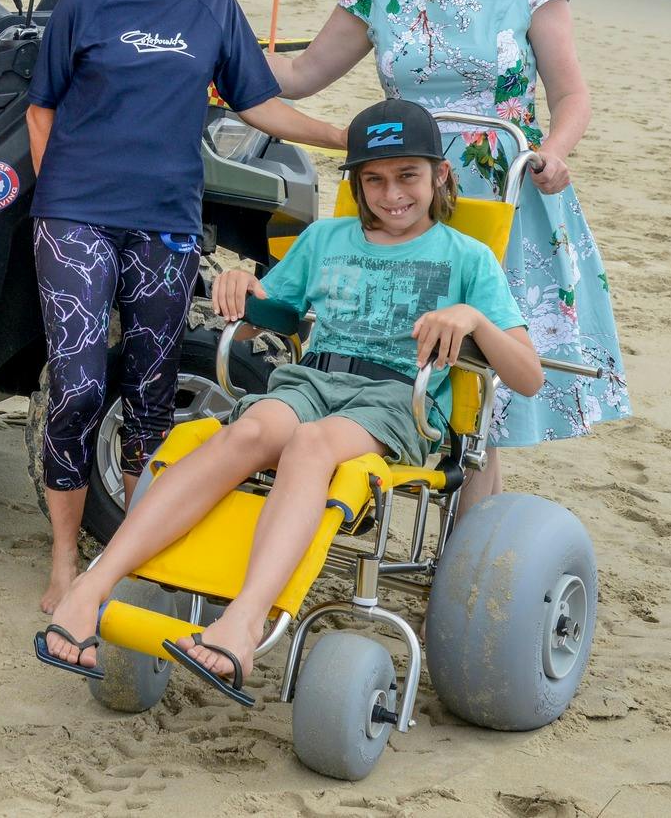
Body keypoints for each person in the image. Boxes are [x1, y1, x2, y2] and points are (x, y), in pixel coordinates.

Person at [37, 98, 543, 695]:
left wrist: (472, 320)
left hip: (391, 400)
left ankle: (246, 620)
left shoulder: (467, 258)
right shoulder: (325, 239)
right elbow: (259, 319)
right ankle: (93, 585)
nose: (391, 194)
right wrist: (241, 288)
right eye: (373, 180)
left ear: (440, 176)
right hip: (311, 381)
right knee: (251, 430)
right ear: (356, 184)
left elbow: (528, 376)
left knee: (310, 444)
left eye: (408, 176)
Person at [270, 0, 628, 515]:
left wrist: (555, 151)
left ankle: (464, 553)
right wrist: (214, 50)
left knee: (480, 387)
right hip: (399, 193)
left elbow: (572, 94)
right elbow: (304, 71)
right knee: (394, 363)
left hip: (505, 195)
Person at [23, 0, 347, 613]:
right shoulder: (86, 1)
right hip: (76, 218)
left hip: (166, 223)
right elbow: (43, 110)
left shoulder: (210, 3)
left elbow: (257, 104)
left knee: (150, 395)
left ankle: (137, 557)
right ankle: (65, 560)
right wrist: (62, 195)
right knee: (74, 388)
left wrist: (344, 136)